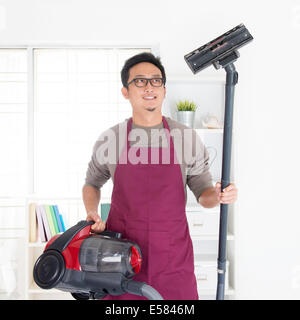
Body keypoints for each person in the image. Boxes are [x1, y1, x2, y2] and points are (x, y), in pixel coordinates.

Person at [82, 52, 238, 300]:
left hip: (172, 260)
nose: (149, 87)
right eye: (140, 81)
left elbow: (204, 194)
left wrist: (219, 195)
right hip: (120, 259)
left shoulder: (186, 138)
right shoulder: (111, 139)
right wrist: (91, 212)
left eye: (156, 81)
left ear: (164, 90)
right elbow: (92, 183)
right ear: (125, 91)